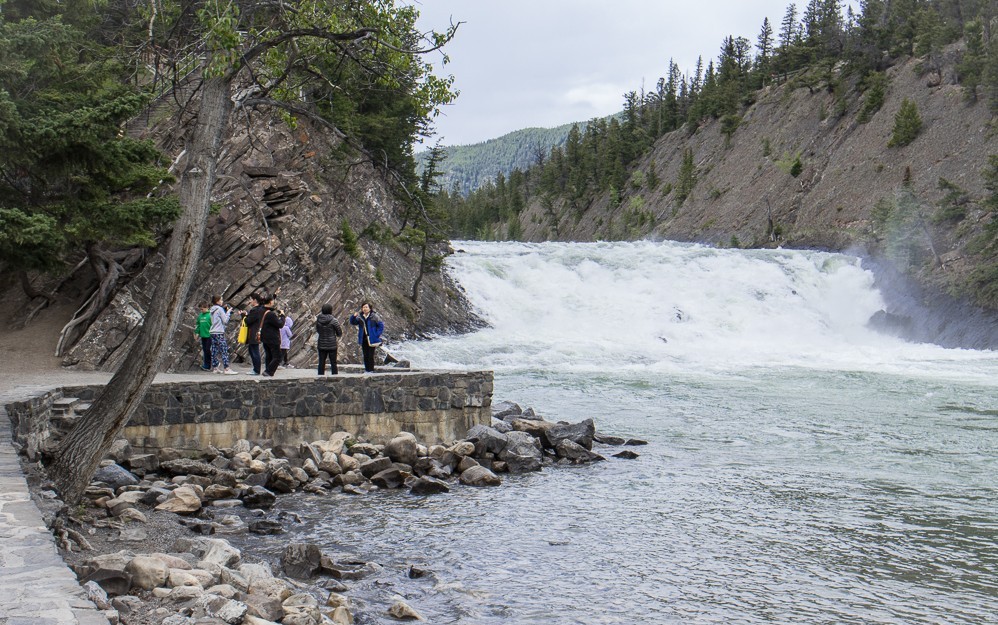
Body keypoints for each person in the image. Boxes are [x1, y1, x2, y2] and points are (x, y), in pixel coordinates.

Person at [349, 301, 384, 373]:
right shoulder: (360, 317)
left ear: (370, 308)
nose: (364, 309)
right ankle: (367, 369)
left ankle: (371, 370)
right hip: (363, 338)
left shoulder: (374, 316)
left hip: (372, 338)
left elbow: (381, 325)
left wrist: (376, 334)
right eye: (363, 307)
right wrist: (353, 316)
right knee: (365, 355)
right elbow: (353, 322)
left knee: (370, 355)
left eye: (366, 307)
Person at [209, 295, 240, 374]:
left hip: (213, 331)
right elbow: (225, 320)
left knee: (214, 350)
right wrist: (228, 312)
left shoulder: (211, 309)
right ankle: (227, 368)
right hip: (219, 332)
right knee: (224, 349)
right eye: (221, 300)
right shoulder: (219, 309)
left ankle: (215, 367)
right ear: (217, 301)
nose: (222, 301)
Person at [259, 296, 287, 376]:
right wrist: (282, 316)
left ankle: (267, 370)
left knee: (269, 355)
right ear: (270, 302)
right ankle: (269, 371)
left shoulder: (261, 310)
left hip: (264, 337)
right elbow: (280, 324)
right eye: (273, 301)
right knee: (277, 356)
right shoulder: (270, 314)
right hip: (272, 337)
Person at [315, 303, 342, 375]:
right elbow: (339, 333)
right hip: (332, 344)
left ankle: (320, 378)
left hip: (321, 343)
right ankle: (335, 378)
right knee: (333, 362)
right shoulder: (334, 320)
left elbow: (318, 330)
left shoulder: (318, 320)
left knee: (321, 362)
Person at [243, 293, 264, 375]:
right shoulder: (260, 309)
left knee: (254, 351)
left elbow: (248, 321)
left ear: (255, 300)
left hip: (253, 333)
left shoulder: (255, 310)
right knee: (253, 350)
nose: (249, 301)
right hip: (257, 332)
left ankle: (256, 370)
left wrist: (244, 315)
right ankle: (256, 369)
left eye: (250, 299)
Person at [194, 302, 212, 371]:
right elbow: (198, 325)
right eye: (200, 309)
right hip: (203, 336)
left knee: (208, 350)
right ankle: (206, 365)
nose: (201, 311)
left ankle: (210, 364)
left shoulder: (210, 315)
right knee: (205, 350)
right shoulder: (200, 316)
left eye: (202, 309)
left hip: (209, 335)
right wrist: (196, 333)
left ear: (207, 308)